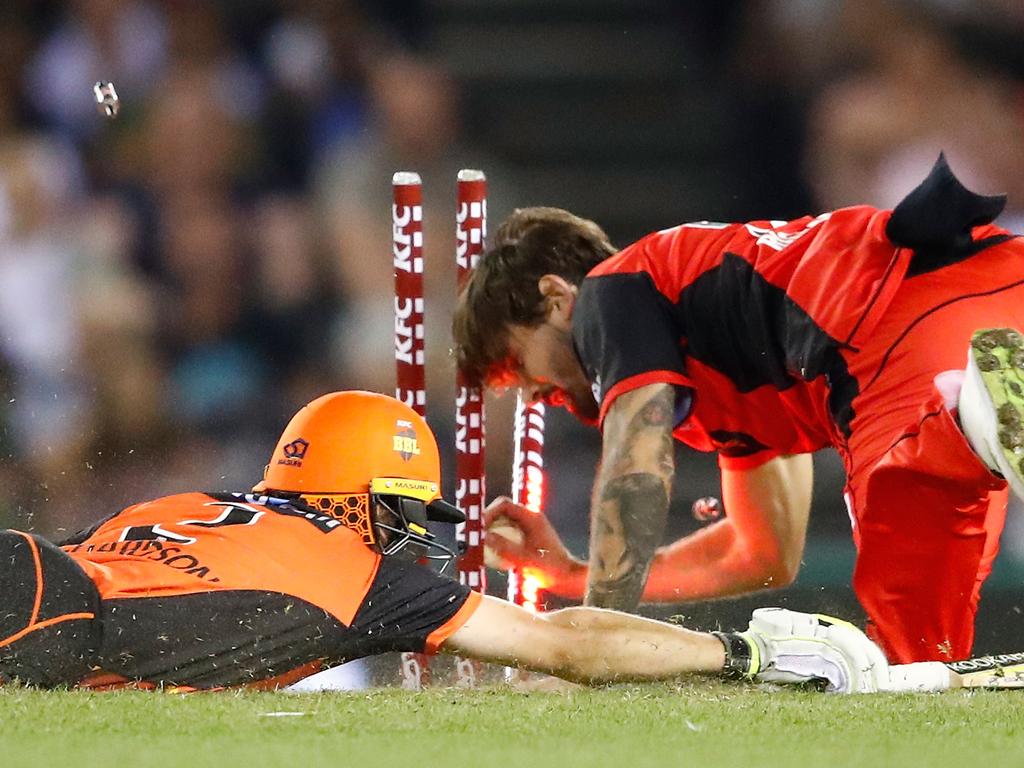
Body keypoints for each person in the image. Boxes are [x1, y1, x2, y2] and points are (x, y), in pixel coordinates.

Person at [453, 154, 1024, 664]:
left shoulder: (610, 291)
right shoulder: (716, 344)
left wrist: (588, 644)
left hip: (897, 326)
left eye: (516, 365)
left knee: (909, 528)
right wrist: (571, 574)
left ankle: (965, 426)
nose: (532, 395)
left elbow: (636, 472)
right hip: (995, 284)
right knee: (922, 659)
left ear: (556, 298)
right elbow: (761, 554)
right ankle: (971, 419)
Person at [0, 390, 888, 693]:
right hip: (55, 622)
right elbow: (566, 644)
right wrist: (734, 652)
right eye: (402, 512)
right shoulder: (359, 575)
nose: (410, 539)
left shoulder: (182, 500)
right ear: (363, 497)